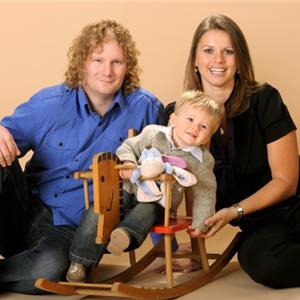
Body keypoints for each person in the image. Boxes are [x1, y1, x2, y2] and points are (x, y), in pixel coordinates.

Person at [0, 19, 164, 294]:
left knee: (50, 270)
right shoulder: (49, 104)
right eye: (97, 60)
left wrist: (164, 244)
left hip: (72, 232)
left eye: (117, 62)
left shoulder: (146, 110)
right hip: (23, 211)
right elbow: (6, 138)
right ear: (82, 63)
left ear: (128, 66)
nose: (107, 72)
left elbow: (156, 180)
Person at [165, 14, 300, 287]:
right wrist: (195, 247)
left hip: (294, 203)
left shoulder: (264, 99)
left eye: (228, 51)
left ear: (239, 61)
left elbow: (286, 182)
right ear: (195, 60)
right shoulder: (177, 115)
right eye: (209, 51)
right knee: (265, 265)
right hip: (260, 225)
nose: (218, 60)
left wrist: (234, 211)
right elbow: (188, 184)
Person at [66, 90, 223, 282]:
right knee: (98, 210)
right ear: (173, 119)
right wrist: (128, 163)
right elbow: (128, 147)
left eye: (204, 126)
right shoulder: (152, 133)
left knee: (146, 212)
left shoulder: (202, 159)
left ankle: (124, 235)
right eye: (190, 119)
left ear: (209, 135)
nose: (194, 128)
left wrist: (200, 224)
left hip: (160, 202)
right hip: (128, 189)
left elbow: (205, 192)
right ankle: (79, 263)